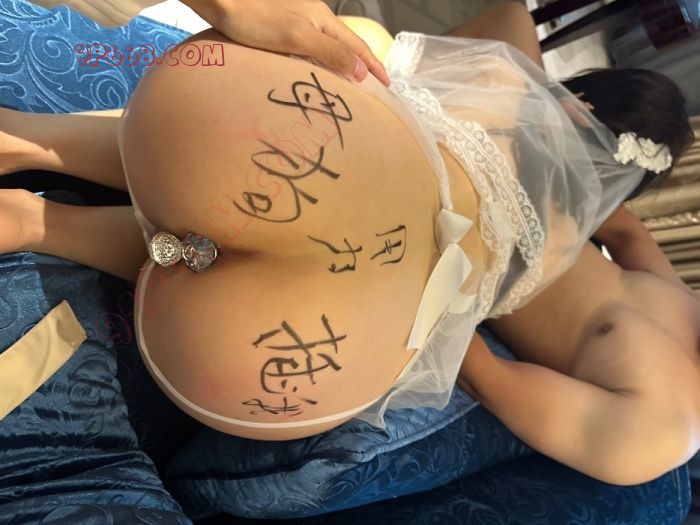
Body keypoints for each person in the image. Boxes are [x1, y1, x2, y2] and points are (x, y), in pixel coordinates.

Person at [0, 1, 696, 485]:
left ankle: (28, 147)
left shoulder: (511, 75)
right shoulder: (668, 416)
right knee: (236, 235)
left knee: (305, 126)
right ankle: (39, 223)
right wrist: (447, 299)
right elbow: (489, 375)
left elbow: (615, 234)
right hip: (284, 348)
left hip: (278, 140)